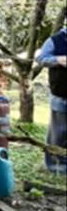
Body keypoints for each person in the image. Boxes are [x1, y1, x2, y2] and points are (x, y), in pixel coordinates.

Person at [36, 24, 67, 175]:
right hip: (61, 94)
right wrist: (58, 60)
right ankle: (55, 167)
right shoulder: (55, 40)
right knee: (58, 133)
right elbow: (41, 58)